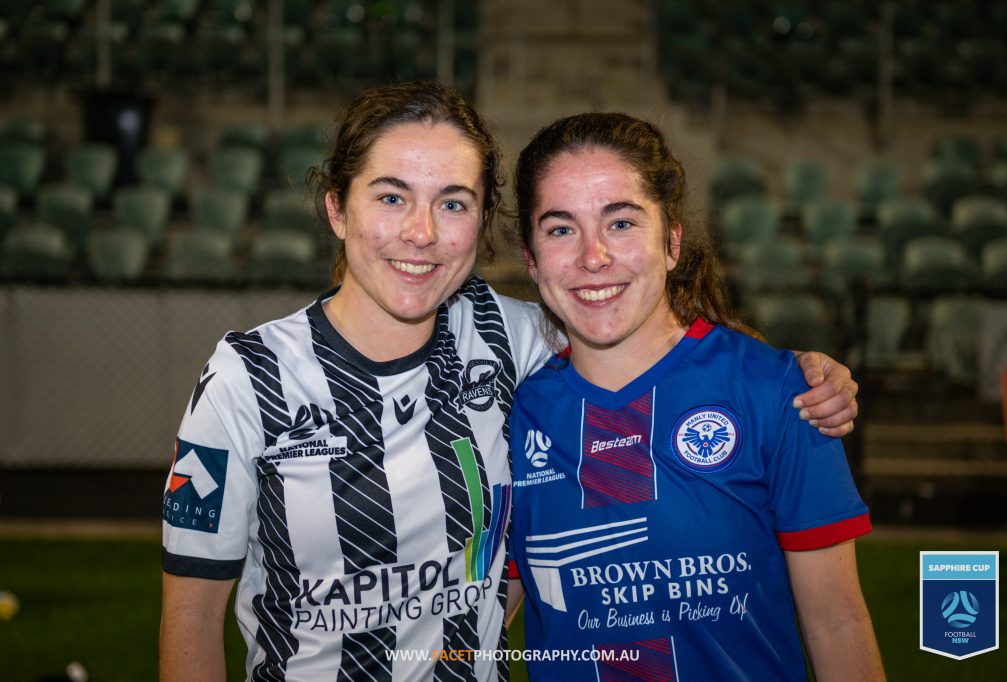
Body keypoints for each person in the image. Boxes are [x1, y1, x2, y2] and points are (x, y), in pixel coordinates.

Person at [159, 82, 861, 681]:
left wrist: (797, 373)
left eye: (454, 203)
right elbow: (190, 615)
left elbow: (639, 320)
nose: (423, 233)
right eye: (391, 197)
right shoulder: (245, 377)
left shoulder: (509, 338)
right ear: (337, 208)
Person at [506, 113, 884, 680]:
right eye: (561, 229)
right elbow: (478, 617)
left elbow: (837, 624)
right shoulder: (516, 415)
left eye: (622, 223)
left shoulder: (778, 391)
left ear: (672, 243)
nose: (593, 257)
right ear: (532, 260)